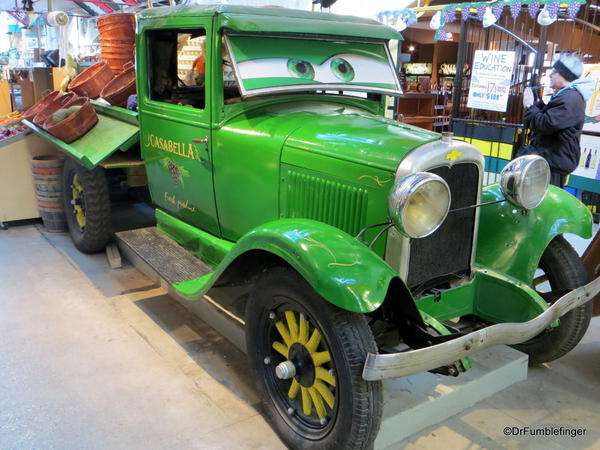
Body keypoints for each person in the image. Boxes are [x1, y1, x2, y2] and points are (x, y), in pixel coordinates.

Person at [522, 53, 594, 188]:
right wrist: (538, 104)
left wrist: (529, 105)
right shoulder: (567, 95)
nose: (550, 75)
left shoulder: (570, 98)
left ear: (563, 74)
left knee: (543, 204)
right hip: (552, 160)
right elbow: (552, 121)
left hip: (554, 163)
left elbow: (545, 124)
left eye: (553, 72)